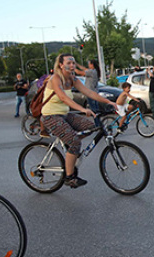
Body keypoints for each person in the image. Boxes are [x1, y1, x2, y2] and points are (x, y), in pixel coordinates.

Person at [39, 54, 119, 188]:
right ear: (60, 65)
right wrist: (82, 109)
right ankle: (69, 177)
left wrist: (108, 102)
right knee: (75, 141)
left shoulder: (72, 79)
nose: (72, 66)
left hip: (64, 114)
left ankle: (72, 151)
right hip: (50, 116)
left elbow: (90, 93)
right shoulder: (55, 79)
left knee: (90, 126)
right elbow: (64, 98)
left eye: (73, 63)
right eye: (69, 63)